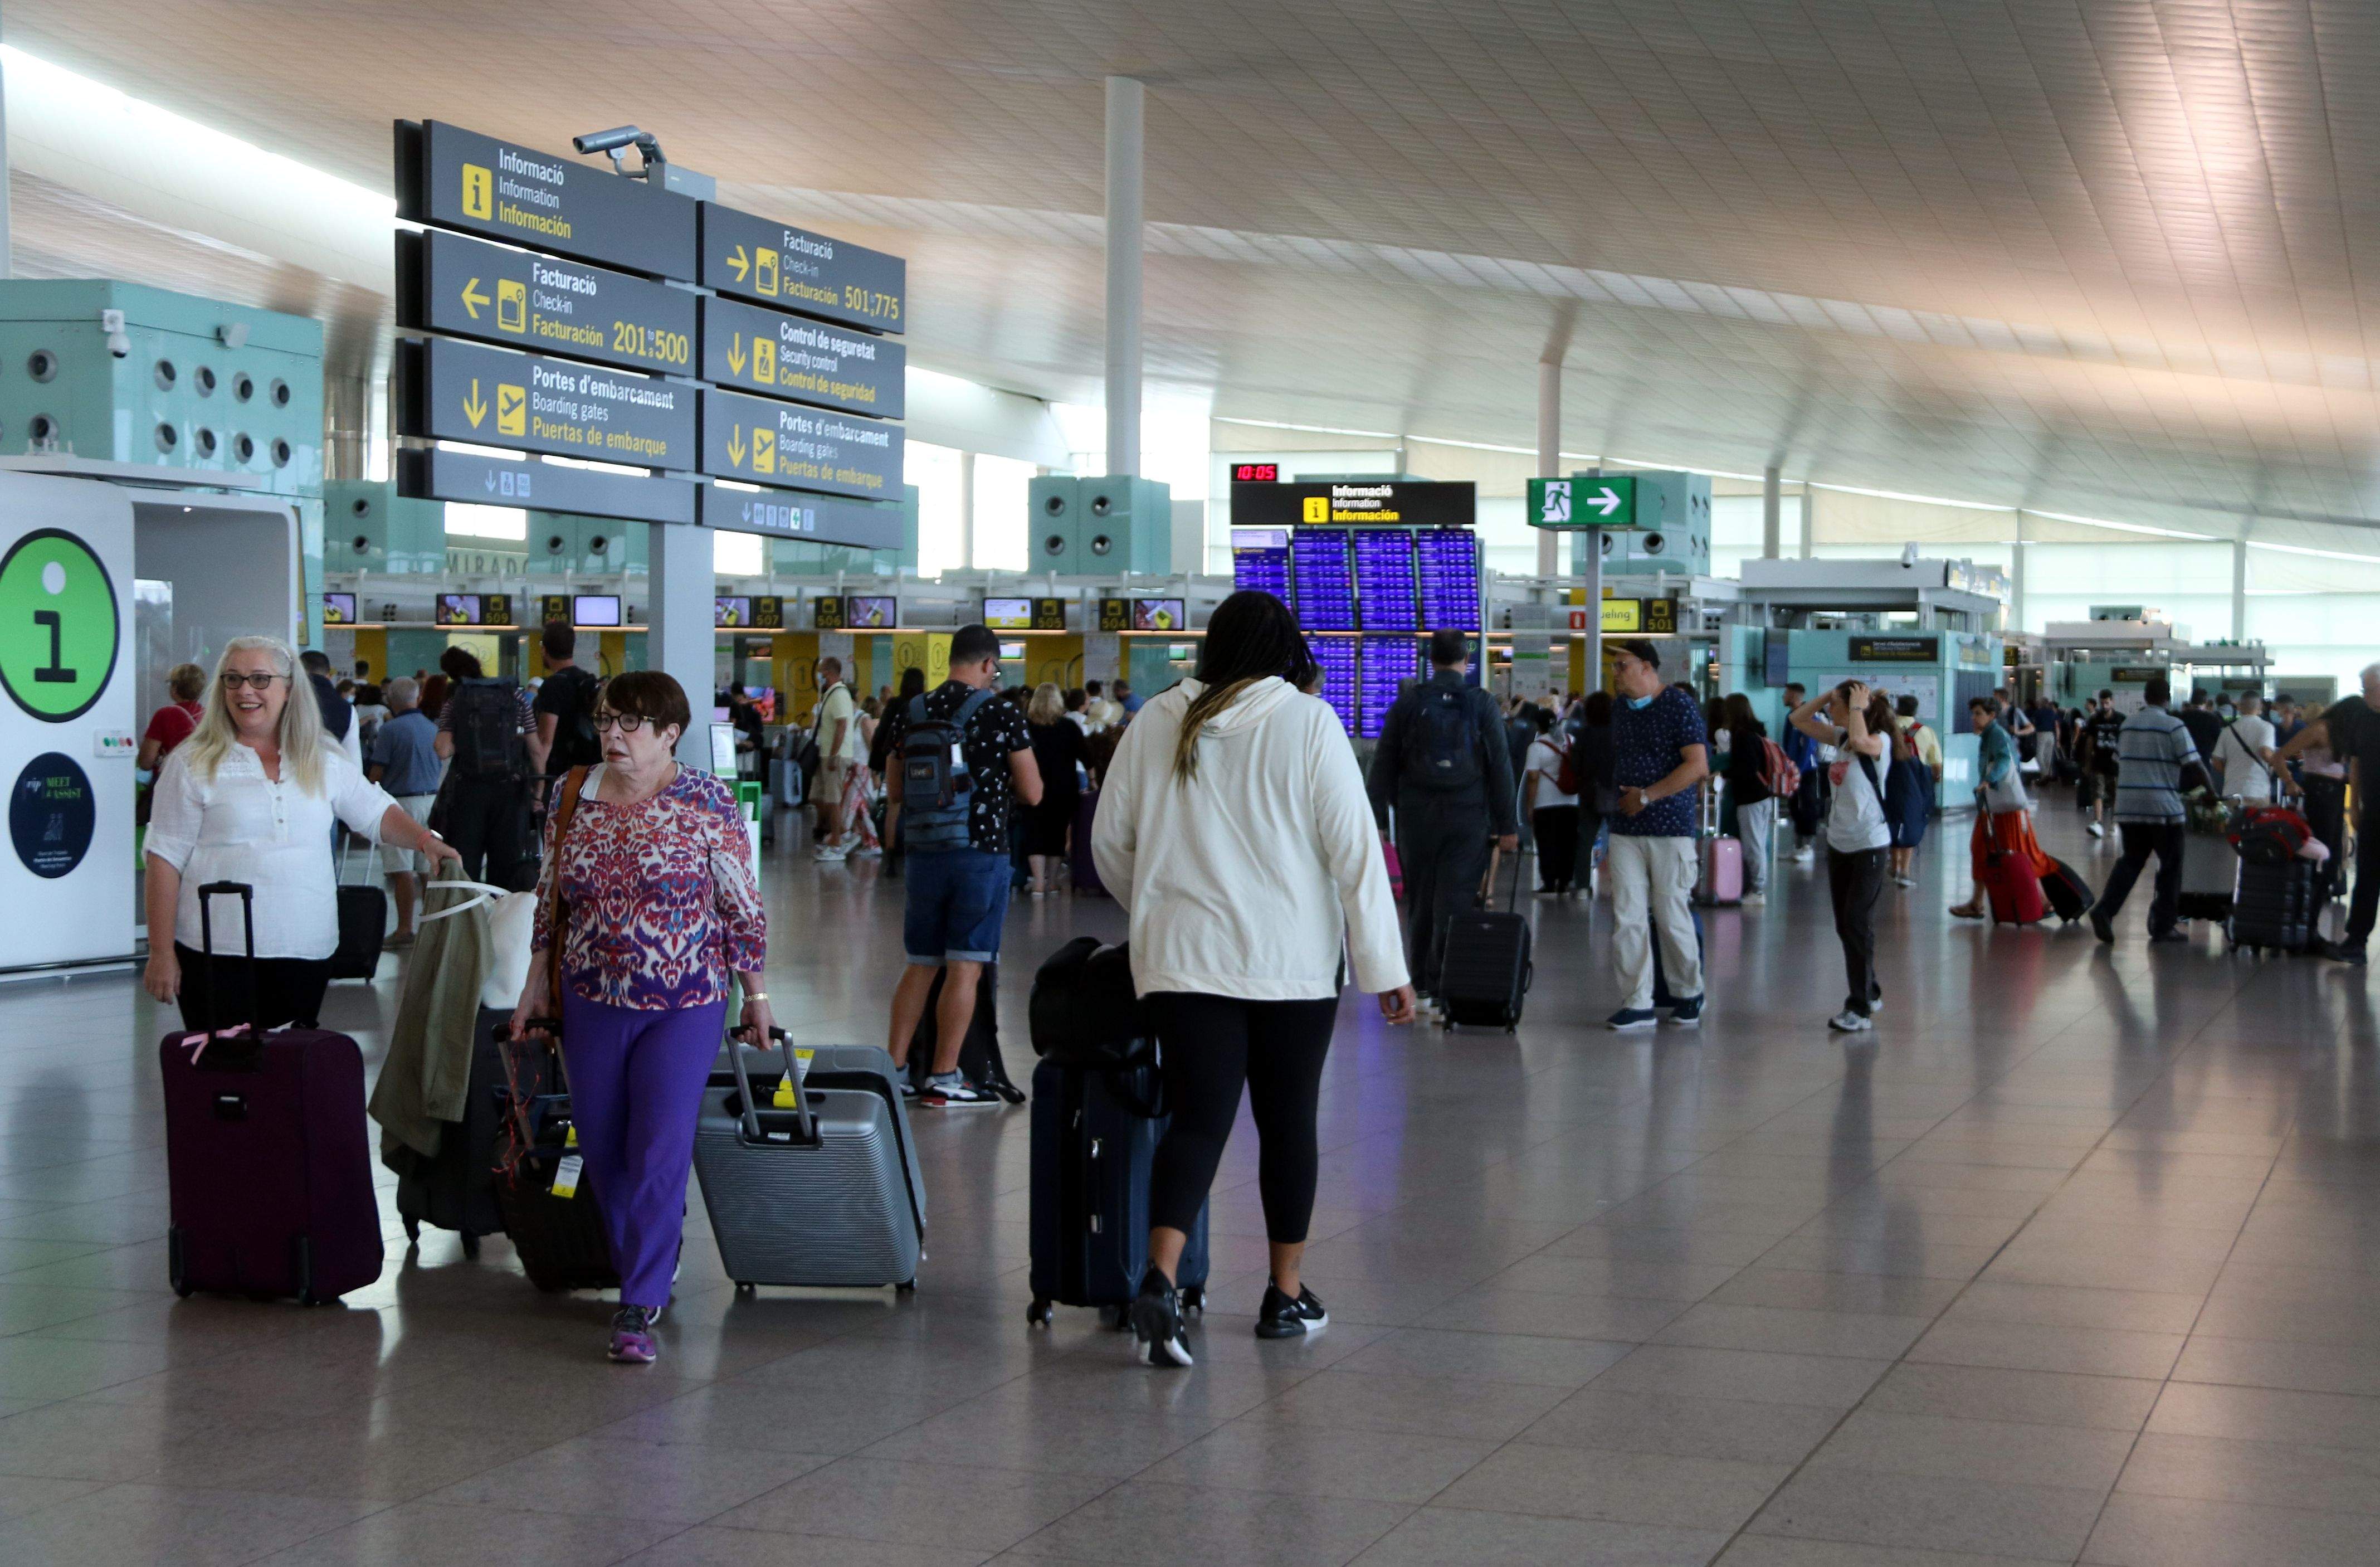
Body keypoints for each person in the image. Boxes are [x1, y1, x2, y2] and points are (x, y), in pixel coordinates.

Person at [1093, 590, 1414, 1367]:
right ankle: (1283, 1295)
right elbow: (1354, 853)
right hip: (1290, 965)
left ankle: (1160, 1279)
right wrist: (1385, 968)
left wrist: (1161, 905)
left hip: (1184, 960)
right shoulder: (1308, 723)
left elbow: (1110, 842)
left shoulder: (1160, 720)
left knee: (1199, 1120)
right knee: (1286, 1124)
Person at [509, 671, 769, 1366]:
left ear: (670, 733)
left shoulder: (706, 800)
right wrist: (536, 983)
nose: (613, 735)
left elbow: (741, 906)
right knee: (603, 1147)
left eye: (630, 724)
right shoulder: (575, 794)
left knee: (658, 1144)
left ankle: (639, 1294)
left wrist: (758, 997)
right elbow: (549, 898)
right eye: (605, 722)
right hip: (592, 994)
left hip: (687, 999)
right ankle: (651, 1252)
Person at [143, 637, 460, 1031]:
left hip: (306, 948)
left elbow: (375, 813)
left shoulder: (322, 758)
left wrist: (425, 841)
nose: (245, 691)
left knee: (290, 1076)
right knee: (226, 1079)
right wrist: (160, 952)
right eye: (233, 679)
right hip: (214, 951)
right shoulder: (192, 762)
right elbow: (164, 859)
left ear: (289, 688)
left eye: (260, 679)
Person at [881, 625, 1043, 1106]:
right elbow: (1033, 792)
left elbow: (894, 792)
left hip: (925, 854)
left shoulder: (910, 711)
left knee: (920, 965)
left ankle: (893, 1072)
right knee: (965, 967)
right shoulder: (1001, 711)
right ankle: (944, 1078)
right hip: (981, 852)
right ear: (989, 664)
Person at [1365, 629, 1518, 1016]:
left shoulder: (1409, 702)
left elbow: (1383, 763)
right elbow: (1500, 767)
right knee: (1455, 900)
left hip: (1417, 815)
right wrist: (1508, 826)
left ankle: (1419, 982)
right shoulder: (1481, 703)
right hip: (1468, 815)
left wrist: (1378, 817)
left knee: (1420, 899)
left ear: (1430, 660)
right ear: (1466, 660)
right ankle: (1445, 983)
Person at [1602, 640, 1709, 1029]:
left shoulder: (1678, 705)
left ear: (1647, 667)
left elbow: (1697, 765)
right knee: (1627, 917)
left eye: (1622, 666)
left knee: (1670, 913)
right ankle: (1637, 999)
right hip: (1625, 827)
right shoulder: (1621, 709)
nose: (1615, 674)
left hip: (1669, 828)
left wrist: (1647, 796)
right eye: (1614, 667)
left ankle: (1688, 992)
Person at [1790, 681, 1893, 1032]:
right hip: (1839, 844)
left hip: (1870, 845)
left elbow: (1865, 741)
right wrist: (1827, 697)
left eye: (1835, 705)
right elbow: (1798, 719)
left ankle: (1860, 1008)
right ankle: (1871, 990)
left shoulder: (1880, 741)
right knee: (1846, 924)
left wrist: (1855, 707)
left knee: (1856, 922)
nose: (1827, 711)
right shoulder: (1840, 740)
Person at [2274, 664, 2380, 962]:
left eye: (2367, 688)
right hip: (2355, 806)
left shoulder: (2349, 726)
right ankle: (2350, 939)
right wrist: (2355, 806)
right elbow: (2356, 764)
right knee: (2356, 872)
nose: (2364, 694)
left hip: (2335, 797)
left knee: (2335, 861)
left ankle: (2339, 936)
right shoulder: (2361, 724)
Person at [2088, 676, 2202, 945]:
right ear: (2168, 697)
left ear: (2145, 697)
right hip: (2164, 809)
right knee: (2171, 865)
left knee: (2131, 861)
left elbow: (2118, 761)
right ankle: (2162, 926)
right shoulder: (2174, 725)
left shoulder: (2128, 725)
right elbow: (2194, 765)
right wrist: (2210, 792)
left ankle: (2105, 910)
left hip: (2129, 807)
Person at [432, 646, 535, 889]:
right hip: (510, 790)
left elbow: (443, 749)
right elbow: (537, 748)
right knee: (507, 866)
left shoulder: (457, 698)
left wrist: (467, 740)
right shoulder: (514, 696)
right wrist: (538, 789)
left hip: (467, 790)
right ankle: (501, 923)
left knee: (465, 866)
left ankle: (468, 923)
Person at [1950, 695, 2055, 921]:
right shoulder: (1988, 736)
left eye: (1978, 713)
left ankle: (2044, 901)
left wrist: (1989, 780)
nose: (1973, 718)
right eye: (1973, 713)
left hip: (2007, 809)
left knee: (2021, 852)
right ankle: (1977, 903)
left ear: (1991, 716)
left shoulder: (1998, 735)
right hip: (1993, 807)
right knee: (1981, 850)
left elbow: (2005, 761)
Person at [367, 677, 445, 948]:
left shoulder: (391, 730)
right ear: (418, 698)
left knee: (402, 870)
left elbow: (377, 773)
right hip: (432, 803)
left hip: (400, 805)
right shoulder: (433, 728)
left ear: (390, 699)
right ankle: (433, 929)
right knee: (427, 869)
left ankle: (404, 929)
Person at [1021, 682, 1087, 898]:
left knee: (1035, 833)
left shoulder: (1025, 726)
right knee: (1057, 835)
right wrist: (1094, 780)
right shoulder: (1068, 727)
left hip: (1032, 786)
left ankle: (1039, 883)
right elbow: (1086, 755)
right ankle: (1053, 883)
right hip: (1063, 788)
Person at [1718, 692, 1774, 903]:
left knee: (1753, 845)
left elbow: (1746, 768)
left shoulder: (1742, 736)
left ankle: (1757, 890)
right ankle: (1755, 887)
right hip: (1761, 795)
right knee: (1757, 842)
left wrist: (1725, 773)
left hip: (1749, 797)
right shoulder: (1757, 733)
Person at [529, 621, 603, 782]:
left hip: (562, 773)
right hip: (590, 769)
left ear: (544, 650)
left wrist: (538, 789)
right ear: (572, 649)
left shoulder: (553, 686)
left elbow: (545, 743)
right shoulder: (587, 680)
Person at [1521, 705, 1580, 895]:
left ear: (1539, 727)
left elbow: (1533, 779)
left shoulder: (1536, 748)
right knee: (1568, 844)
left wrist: (1529, 806)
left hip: (1544, 803)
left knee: (1547, 844)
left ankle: (1549, 883)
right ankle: (1565, 881)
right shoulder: (1571, 741)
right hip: (1571, 801)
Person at [812, 658, 864, 860]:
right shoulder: (831, 694)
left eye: (821, 673)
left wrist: (834, 755)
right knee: (821, 797)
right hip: (828, 753)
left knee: (834, 800)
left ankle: (837, 841)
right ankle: (841, 832)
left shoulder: (840, 694)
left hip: (836, 756)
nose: (820, 677)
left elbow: (842, 725)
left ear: (828, 672)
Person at [1885, 694, 1935, 887]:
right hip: (1916, 784)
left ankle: (1894, 863)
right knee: (1912, 821)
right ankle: (1904, 870)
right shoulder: (1924, 731)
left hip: (1891, 781)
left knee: (1892, 818)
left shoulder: (1888, 730)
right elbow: (1936, 763)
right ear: (1916, 710)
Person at [1779, 682, 1828, 861]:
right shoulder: (1790, 717)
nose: (1784, 697)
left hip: (1807, 771)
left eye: (1786, 694)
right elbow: (1787, 743)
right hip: (1793, 770)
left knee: (1808, 806)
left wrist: (1798, 768)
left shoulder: (1809, 718)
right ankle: (1797, 844)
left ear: (1794, 696)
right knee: (1794, 807)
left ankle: (1808, 845)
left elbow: (1809, 745)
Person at [136, 662, 208, 776]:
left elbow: (146, 762)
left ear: (175, 688)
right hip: (200, 783)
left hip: (171, 782)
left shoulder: (165, 715)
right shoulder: (209, 716)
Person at [2210, 691, 2280, 802]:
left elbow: (2216, 761)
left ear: (2239, 708)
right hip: (2258, 790)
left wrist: (2230, 773)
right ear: (2260, 707)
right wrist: (2278, 765)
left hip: (2231, 791)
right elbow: (2266, 753)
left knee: (2234, 820)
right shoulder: (2267, 728)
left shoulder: (2228, 731)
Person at [299, 648, 363, 769]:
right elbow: (354, 761)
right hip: (330, 776)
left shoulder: (284, 701)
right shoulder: (347, 709)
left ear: (297, 672)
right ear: (329, 676)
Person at [2081, 690, 2125, 838]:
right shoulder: (2095, 720)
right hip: (2098, 762)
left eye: (2107, 703)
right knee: (2097, 792)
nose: (2105, 706)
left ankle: (2114, 823)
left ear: (2112, 702)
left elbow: (2125, 742)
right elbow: (2090, 741)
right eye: (2102, 703)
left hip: (2115, 764)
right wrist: (2087, 763)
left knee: (2115, 795)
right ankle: (2098, 822)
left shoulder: (2121, 719)